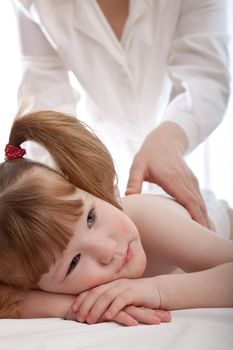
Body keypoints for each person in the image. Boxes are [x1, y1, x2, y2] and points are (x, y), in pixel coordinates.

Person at [0, 110, 233, 326]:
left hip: (217, 220)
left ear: (87, 189)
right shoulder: (31, 271)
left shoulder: (151, 221)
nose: (107, 249)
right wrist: (69, 307)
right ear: (34, 286)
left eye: (90, 218)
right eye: (74, 262)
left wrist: (157, 291)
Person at [11, 0, 230, 229]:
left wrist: (168, 139)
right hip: (100, 168)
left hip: (180, 173)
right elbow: (45, 99)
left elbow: (205, 77)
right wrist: (61, 185)